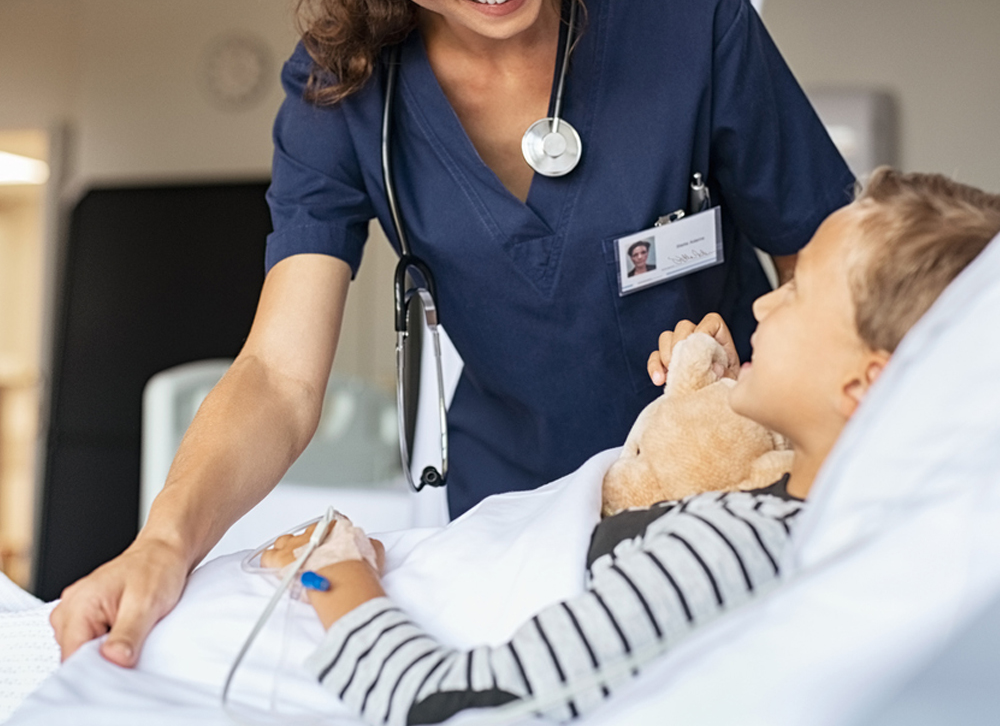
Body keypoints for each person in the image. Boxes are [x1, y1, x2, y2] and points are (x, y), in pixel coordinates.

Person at [51, 0, 853, 667]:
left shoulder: (691, 22)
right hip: (510, 525)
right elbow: (278, 374)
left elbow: (832, 270)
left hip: (728, 496)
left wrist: (843, 472)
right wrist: (166, 541)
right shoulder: (342, 94)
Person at [261, 169, 1000, 725]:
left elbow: (462, 710)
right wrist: (727, 402)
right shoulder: (790, 520)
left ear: (866, 387)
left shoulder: (738, 545)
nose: (767, 300)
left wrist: (333, 571)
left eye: (800, 293)